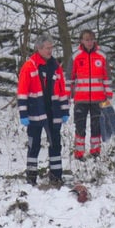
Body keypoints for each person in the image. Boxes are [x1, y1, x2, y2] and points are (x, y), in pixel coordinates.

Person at [17, 33, 70, 187]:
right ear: (39, 48)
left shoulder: (55, 66)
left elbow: (62, 90)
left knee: (55, 144)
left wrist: (65, 111)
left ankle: (56, 177)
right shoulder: (29, 66)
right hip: (35, 112)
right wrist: (23, 113)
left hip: (53, 112)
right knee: (34, 145)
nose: (50, 51)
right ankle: (31, 177)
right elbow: (22, 91)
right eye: (47, 48)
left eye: (51, 48)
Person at [70, 29, 113, 159]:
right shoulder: (75, 56)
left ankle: (95, 153)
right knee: (80, 126)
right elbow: (69, 77)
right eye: (86, 39)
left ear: (94, 40)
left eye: (91, 39)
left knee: (97, 127)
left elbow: (107, 77)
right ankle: (79, 154)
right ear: (81, 41)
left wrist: (108, 95)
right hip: (81, 99)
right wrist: (68, 95)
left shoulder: (102, 56)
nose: (89, 42)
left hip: (98, 99)